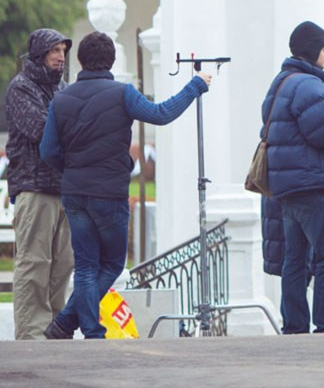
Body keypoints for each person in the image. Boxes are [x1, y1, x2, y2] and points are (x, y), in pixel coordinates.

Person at [39, 31, 208, 339]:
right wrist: (196, 86)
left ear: (79, 61)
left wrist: (74, 170)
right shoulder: (122, 93)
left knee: (87, 266)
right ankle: (69, 323)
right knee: (113, 263)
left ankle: (84, 329)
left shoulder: (60, 99)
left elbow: (48, 151)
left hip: (75, 192)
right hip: (109, 193)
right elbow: (162, 113)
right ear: (112, 61)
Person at [261, 19, 324, 335]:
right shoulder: (308, 84)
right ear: (314, 49)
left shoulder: (281, 82)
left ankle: (295, 325)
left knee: (295, 259)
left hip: (286, 185)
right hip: (310, 183)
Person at [5, 29, 74, 339]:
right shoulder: (21, 88)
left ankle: (55, 332)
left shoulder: (63, 89)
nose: (60, 56)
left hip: (64, 189)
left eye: (62, 50)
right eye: (54, 51)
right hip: (33, 189)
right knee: (34, 264)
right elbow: (42, 130)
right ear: (38, 54)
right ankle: (32, 337)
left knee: (63, 266)